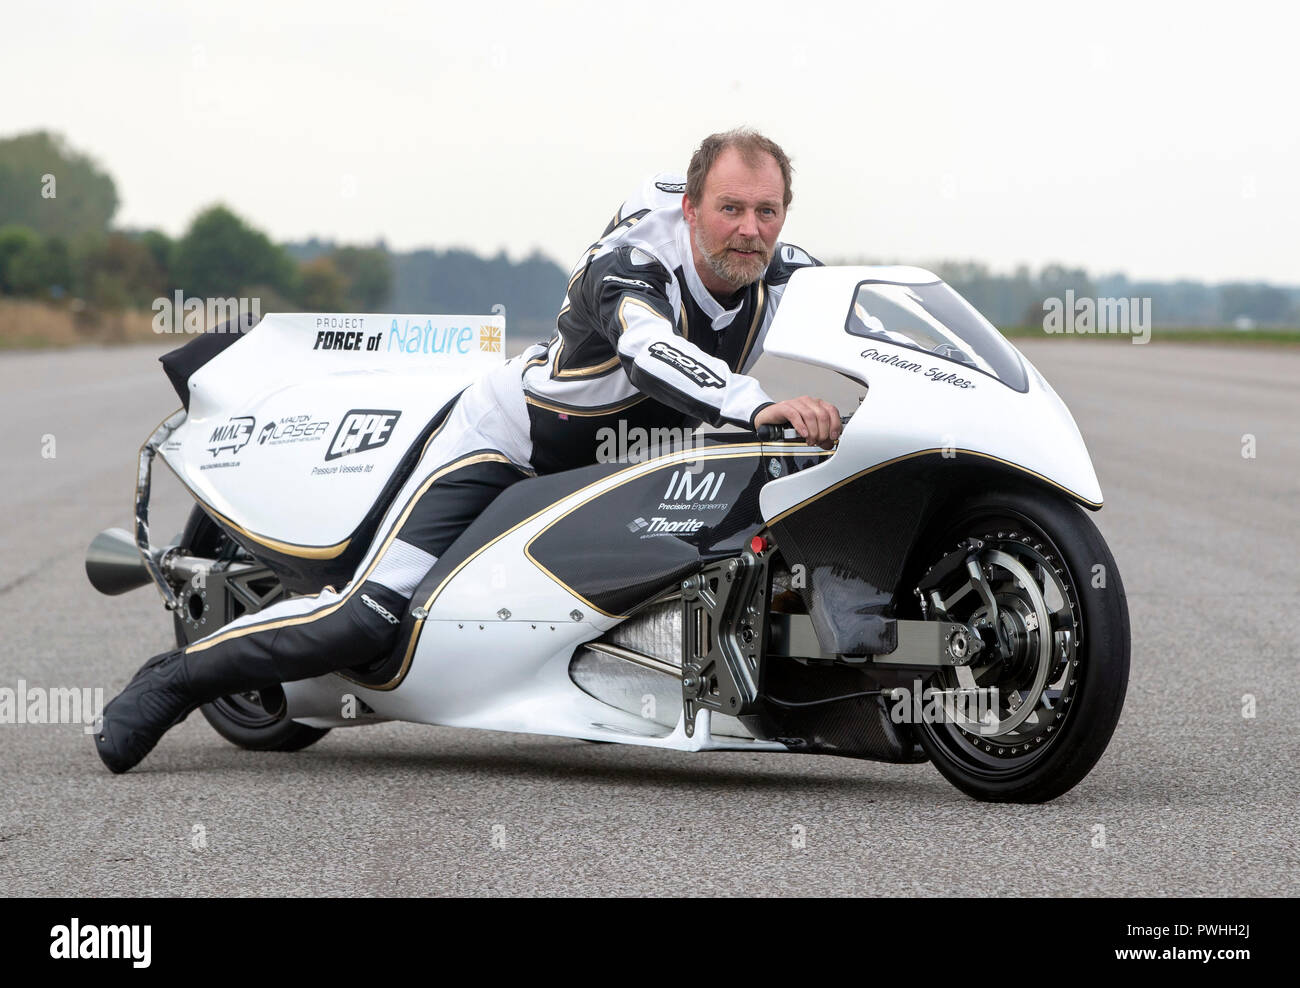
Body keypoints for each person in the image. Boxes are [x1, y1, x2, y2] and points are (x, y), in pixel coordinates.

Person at [93, 127, 843, 773]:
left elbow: (865, 313)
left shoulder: (784, 270)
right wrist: (757, 402)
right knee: (367, 620)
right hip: (510, 447)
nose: (749, 228)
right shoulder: (629, 267)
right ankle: (172, 680)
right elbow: (649, 349)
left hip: (618, 468)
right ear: (690, 208)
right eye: (730, 208)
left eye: (766, 211)